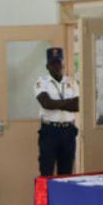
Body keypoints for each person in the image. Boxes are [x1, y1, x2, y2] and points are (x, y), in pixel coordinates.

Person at [35, 47, 79, 176]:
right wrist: (68, 102)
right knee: (46, 172)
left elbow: (78, 105)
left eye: (58, 63)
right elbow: (46, 103)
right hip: (50, 131)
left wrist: (56, 103)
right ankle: (44, 192)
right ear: (47, 66)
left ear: (63, 64)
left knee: (66, 173)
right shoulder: (42, 81)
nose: (56, 66)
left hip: (68, 131)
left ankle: (63, 191)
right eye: (53, 63)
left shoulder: (71, 82)